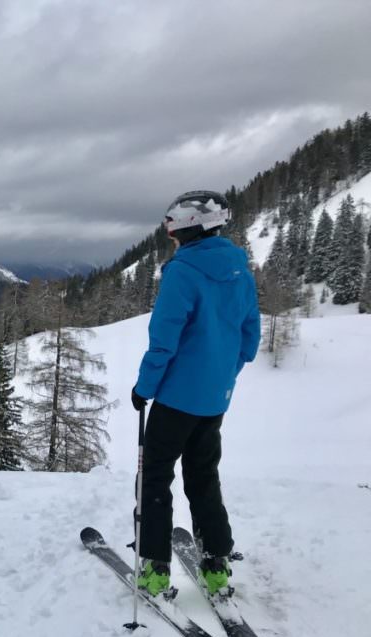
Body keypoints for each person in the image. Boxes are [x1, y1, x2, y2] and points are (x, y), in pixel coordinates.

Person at [131, 190, 260, 597]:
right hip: (214, 399)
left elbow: (164, 340)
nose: (169, 235)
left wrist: (144, 388)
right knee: (203, 477)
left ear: (184, 228)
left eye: (171, 228)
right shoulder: (240, 269)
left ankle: (155, 568)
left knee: (154, 478)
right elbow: (249, 336)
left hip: (174, 399)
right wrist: (222, 376)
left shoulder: (182, 272)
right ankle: (216, 563)